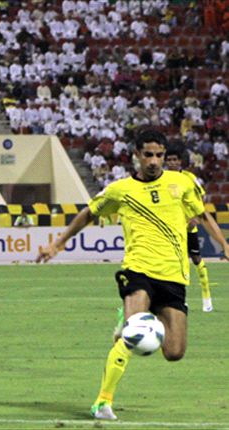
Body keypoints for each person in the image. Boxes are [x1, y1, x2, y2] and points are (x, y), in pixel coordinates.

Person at [36, 128, 229, 420]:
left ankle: (135, 321)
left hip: (174, 276)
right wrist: (58, 244)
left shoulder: (181, 183)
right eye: (148, 155)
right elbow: (89, 213)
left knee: (175, 352)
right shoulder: (120, 190)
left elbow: (201, 215)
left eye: (159, 155)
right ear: (136, 155)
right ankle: (102, 401)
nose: (154, 161)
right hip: (138, 270)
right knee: (132, 332)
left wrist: (224, 245)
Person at [165, 146, 217, 312]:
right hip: (172, 227)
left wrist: (194, 216)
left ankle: (206, 296)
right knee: (176, 263)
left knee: (196, 258)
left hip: (189, 226)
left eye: (175, 160)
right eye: (170, 160)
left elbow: (199, 197)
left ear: (180, 161)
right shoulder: (161, 179)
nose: (172, 163)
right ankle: (181, 299)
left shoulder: (189, 178)